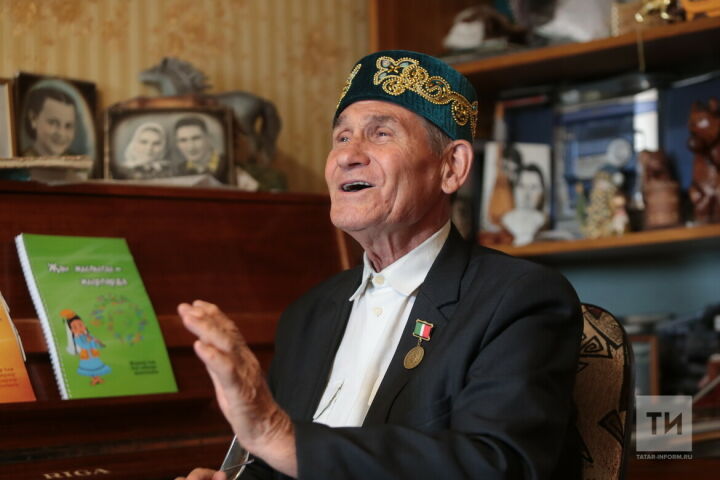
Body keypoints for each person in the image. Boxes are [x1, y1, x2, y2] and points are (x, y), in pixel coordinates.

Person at [177, 50, 582, 480]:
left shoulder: (519, 299)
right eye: (341, 137)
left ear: (451, 167)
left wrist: (278, 436)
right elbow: (277, 463)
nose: (347, 156)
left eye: (381, 134)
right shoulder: (307, 313)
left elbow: (498, 465)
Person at [23, 87, 77, 157]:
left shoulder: (80, 161)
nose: (61, 133)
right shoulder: (23, 159)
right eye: (53, 123)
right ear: (34, 119)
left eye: (68, 126)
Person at [501, 164, 547, 246]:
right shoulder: (505, 219)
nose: (527, 193)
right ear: (514, 189)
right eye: (521, 186)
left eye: (533, 187)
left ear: (542, 192)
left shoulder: (543, 220)